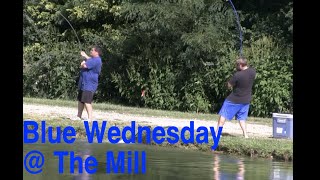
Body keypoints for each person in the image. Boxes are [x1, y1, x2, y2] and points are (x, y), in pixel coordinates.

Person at [216, 58, 256, 138]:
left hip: (234, 100)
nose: (236, 67)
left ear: (241, 65)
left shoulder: (237, 75)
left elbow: (229, 85)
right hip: (246, 100)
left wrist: (230, 80)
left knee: (223, 115)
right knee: (242, 118)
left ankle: (217, 133)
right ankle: (245, 135)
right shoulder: (253, 71)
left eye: (237, 65)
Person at [72, 45, 102, 121]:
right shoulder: (93, 59)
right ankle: (79, 116)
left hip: (89, 84)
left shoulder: (96, 60)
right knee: (81, 100)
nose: (91, 51)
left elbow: (84, 66)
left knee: (87, 101)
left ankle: (90, 118)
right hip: (84, 83)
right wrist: (85, 55)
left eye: (92, 50)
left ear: (96, 52)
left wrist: (82, 63)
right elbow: (89, 59)